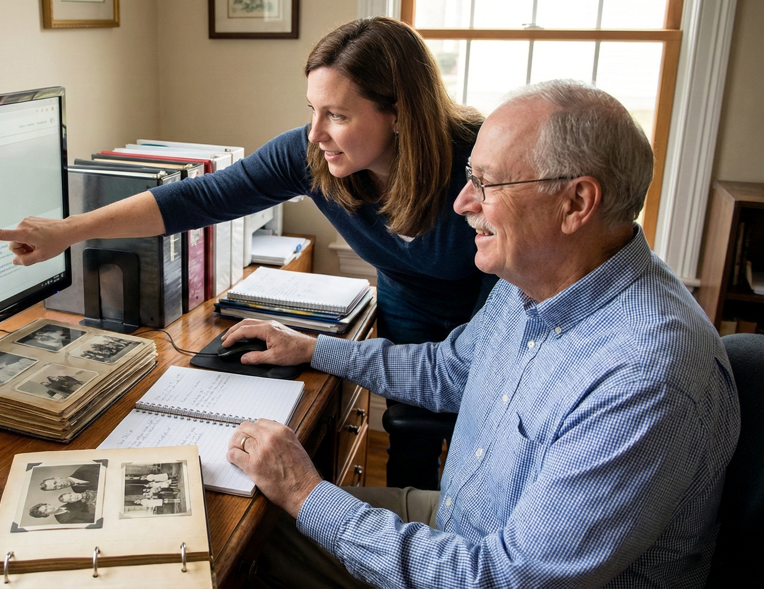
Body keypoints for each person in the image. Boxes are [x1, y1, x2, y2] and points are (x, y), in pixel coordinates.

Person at [219, 80, 740, 587]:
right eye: (471, 177)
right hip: (460, 521)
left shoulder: (646, 378)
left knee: (248, 541)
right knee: (251, 527)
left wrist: (305, 492)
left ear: (576, 203)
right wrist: (313, 348)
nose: (462, 203)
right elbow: (449, 370)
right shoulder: (534, 279)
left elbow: (499, 577)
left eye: (487, 184)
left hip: (482, 568)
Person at [0, 17, 494, 489]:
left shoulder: (478, 168)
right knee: (409, 441)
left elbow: (481, 345)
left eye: (337, 115)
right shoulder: (313, 155)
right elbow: (200, 197)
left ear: (399, 114)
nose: (316, 133)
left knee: (478, 438)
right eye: (312, 110)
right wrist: (70, 230)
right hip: (407, 298)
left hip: (489, 305)